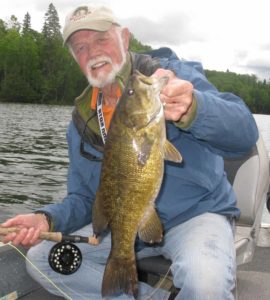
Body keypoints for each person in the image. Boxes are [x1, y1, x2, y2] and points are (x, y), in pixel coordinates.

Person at [2, 3, 258, 300]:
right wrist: (47, 219)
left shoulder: (167, 76)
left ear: (124, 39)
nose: (92, 52)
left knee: (206, 285)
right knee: (42, 258)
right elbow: (86, 198)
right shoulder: (82, 121)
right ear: (76, 60)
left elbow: (244, 133)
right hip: (126, 223)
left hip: (196, 215)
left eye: (101, 39)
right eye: (81, 48)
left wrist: (195, 107)